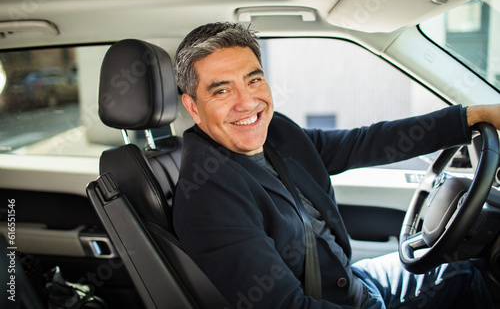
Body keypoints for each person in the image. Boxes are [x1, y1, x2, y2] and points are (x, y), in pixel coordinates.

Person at [172, 22, 500, 308]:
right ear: (193, 106)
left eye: (254, 80)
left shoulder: (277, 133)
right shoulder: (207, 197)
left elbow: (362, 143)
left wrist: (473, 116)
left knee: (462, 269)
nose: (247, 103)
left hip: (355, 282)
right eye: (222, 90)